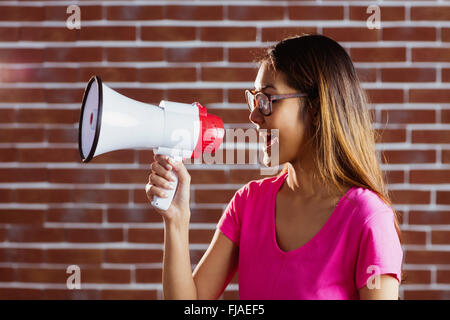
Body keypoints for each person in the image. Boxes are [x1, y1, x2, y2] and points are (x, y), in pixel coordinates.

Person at [145, 34, 403, 300]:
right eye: (254, 99)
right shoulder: (249, 203)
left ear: (315, 109)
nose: (254, 116)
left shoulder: (368, 220)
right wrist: (176, 220)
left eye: (268, 100)